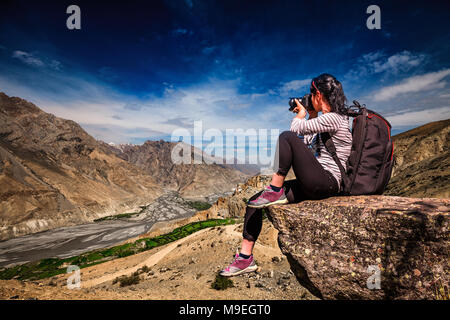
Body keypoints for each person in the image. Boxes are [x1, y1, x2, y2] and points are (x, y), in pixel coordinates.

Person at [220, 73, 353, 277]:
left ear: (317, 93)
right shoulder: (326, 121)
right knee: (255, 201)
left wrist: (301, 116)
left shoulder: (336, 118)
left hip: (328, 182)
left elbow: (295, 131)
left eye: (311, 93)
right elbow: (305, 144)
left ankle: (275, 189)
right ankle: (245, 258)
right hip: (316, 181)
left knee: (286, 136)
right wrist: (312, 114)